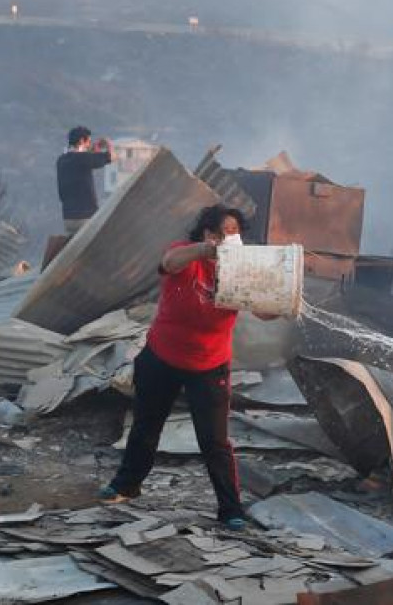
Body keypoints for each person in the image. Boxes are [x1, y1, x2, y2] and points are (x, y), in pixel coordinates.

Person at [99, 205, 275, 532]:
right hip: (161, 356)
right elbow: (168, 264)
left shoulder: (242, 271)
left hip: (209, 365)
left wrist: (281, 299)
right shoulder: (185, 256)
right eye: (218, 233)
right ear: (205, 234)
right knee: (146, 427)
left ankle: (230, 509)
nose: (226, 239)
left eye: (233, 233)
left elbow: (266, 312)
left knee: (215, 442)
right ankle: (126, 485)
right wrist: (207, 251)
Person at [56, 126, 112, 235]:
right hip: (86, 217)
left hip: (68, 218)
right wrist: (109, 144)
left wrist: (94, 151)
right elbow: (111, 157)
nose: (89, 145)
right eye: (88, 141)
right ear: (82, 140)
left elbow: (81, 158)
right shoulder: (84, 158)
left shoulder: (61, 160)